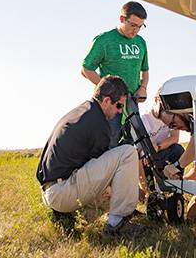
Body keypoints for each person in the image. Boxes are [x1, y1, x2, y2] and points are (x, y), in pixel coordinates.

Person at [36, 76, 140, 235]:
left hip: (51, 191)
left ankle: (71, 218)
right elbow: (106, 177)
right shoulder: (99, 123)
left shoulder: (83, 111)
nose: (120, 111)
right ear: (106, 101)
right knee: (128, 152)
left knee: (116, 188)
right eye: (119, 105)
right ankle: (117, 223)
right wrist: (131, 191)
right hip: (62, 193)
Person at [81, 1, 149, 148]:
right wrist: (109, 90)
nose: (136, 30)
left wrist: (143, 87)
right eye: (132, 25)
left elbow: (145, 71)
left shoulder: (141, 43)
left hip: (132, 103)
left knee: (133, 145)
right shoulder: (104, 40)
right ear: (122, 19)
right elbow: (86, 69)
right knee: (108, 145)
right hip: (110, 103)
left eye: (140, 26)